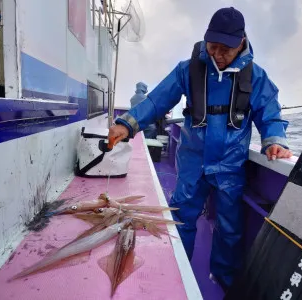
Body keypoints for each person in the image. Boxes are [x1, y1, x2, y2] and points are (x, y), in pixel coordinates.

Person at [108, 7, 292, 291]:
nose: (217, 54)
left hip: (230, 167)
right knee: (181, 219)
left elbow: (270, 114)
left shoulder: (257, 78)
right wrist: (128, 124)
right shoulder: (189, 68)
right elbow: (157, 100)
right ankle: (174, 274)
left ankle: (223, 280)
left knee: (230, 229)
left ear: (241, 42)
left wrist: (276, 141)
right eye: (212, 46)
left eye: (225, 49)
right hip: (193, 161)